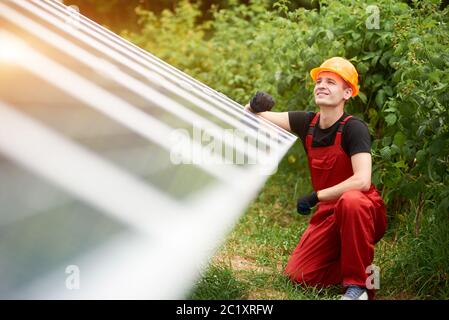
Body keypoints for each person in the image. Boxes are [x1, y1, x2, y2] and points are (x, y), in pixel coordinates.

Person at [245, 57, 387, 300]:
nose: (321, 85)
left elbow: (362, 181)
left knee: (351, 200)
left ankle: (359, 288)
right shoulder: (306, 122)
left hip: (362, 210)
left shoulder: (354, 128)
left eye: (331, 82)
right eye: (319, 81)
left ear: (347, 92)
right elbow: (255, 118)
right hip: (328, 213)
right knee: (299, 276)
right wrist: (252, 106)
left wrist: (316, 196)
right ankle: (358, 265)